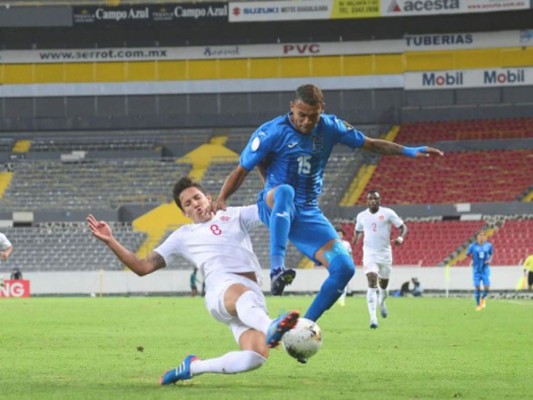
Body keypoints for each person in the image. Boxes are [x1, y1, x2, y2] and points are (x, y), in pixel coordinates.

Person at [212, 84, 442, 322]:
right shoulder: (272, 132)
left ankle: (305, 327)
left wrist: (409, 151)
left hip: (308, 211)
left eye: (313, 116)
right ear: (292, 108)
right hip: (274, 203)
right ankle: (277, 269)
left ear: (322, 109)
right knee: (286, 192)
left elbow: (371, 144)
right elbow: (242, 169)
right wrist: (221, 199)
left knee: (345, 268)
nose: (307, 122)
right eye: (302, 115)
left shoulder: (330, 127)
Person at [87, 177, 299, 385]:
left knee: (255, 357)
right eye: (187, 203)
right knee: (243, 295)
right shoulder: (182, 236)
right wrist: (111, 241)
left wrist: (277, 191)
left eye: (197, 198)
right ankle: (271, 326)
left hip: (250, 298)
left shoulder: (234, 214)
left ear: (208, 198)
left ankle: (193, 367)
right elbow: (142, 267)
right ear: (183, 212)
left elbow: (270, 208)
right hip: (222, 290)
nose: (195, 203)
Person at [353, 190, 408, 329]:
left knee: (383, 287)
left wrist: (400, 238)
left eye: (375, 199)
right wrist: (356, 238)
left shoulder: (388, 213)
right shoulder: (361, 216)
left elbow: (403, 227)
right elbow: (358, 230)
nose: (372, 201)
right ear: (367, 201)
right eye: (370, 199)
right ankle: (373, 318)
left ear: (380, 200)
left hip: (385, 255)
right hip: (369, 254)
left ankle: (382, 302)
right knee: (372, 281)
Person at [466, 231, 493, 311]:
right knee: (477, 287)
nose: (482, 237)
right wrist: (472, 260)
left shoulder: (489, 245)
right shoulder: (473, 246)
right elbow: (467, 254)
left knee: (487, 288)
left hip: (485, 269)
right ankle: (478, 305)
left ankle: (483, 297)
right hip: (476, 270)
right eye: (480, 235)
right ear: (477, 237)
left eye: (483, 235)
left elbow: (491, 254)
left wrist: (489, 260)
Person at [335, 226, 353, 307]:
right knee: (336, 283)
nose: (339, 235)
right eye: (337, 234)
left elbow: (350, 254)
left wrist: (351, 263)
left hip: (345, 265)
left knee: (344, 283)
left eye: (340, 234)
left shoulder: (346, 244)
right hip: (336, 265)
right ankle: (336, 298)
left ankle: (342, 300)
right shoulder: (333, 244)